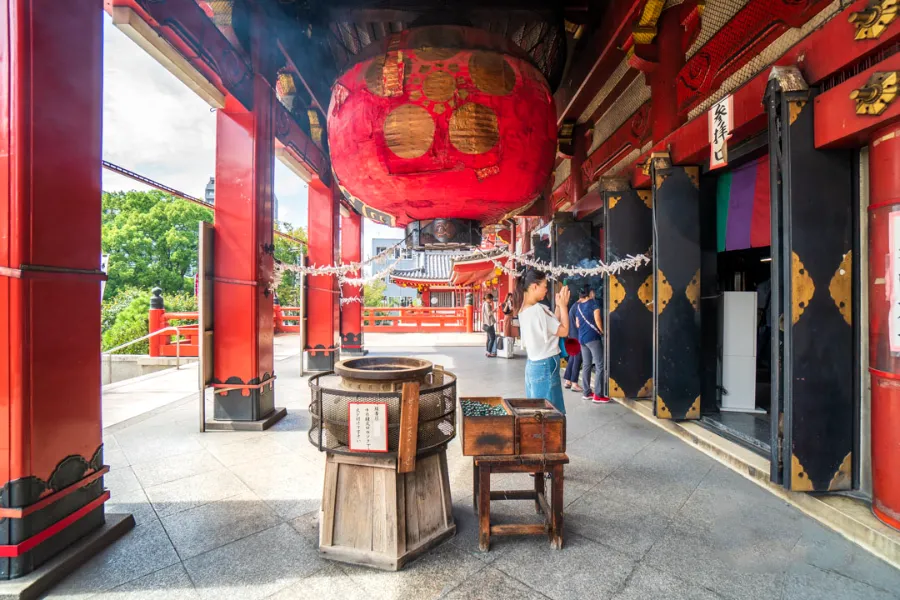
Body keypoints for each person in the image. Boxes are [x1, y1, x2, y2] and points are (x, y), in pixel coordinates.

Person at [516, 270, 570, 414]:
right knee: (549, 412)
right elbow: (563, 331)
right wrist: (564, 306)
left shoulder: (524, 310)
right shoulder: (538, 310)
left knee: (538, 410)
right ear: (534, 286)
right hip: (545, 364)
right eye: (544, 286)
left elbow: (552, 326)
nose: (546, 290)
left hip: (534, 364)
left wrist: (558, 306)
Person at [574, 286, 608, 403]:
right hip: (593, 338)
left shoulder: (578, 307)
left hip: (582, 339)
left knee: (586, 365)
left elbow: (577, 324)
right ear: (589, 293)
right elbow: (597, 319)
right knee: (600, 365)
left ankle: (587, 392)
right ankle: (598, 395)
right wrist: (603, 331)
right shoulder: (594, 304)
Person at [563, 295, 583, 393]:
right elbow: (578, 324)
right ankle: (574, 383)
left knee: (572, 358)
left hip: (571, 335)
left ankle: (568, 381)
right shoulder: (579, 307)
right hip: (577, 336)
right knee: (577, 359)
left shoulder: (574, 306)